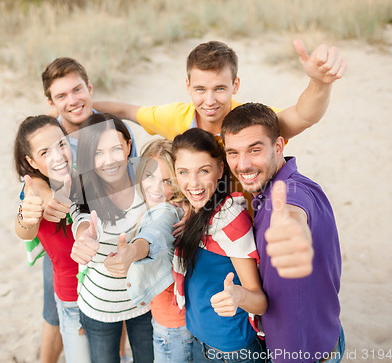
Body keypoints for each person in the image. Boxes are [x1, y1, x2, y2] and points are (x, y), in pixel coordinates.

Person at [220, 103, 343, 363]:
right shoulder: (264, 192)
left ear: (278, 147)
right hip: (315, 336)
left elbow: (293, 212)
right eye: (233, 152)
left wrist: (293, 229)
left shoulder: (292, 192)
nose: (242, 165)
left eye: (254, 150)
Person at [38, 57, 139, 361]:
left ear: (89, 87)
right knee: (56, 313)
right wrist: (43, 193)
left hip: (113, 237)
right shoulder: (50, 139)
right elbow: (31, 178)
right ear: (51, 102)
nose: (73, 100)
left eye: (77, 89)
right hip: (66, 239)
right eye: (61, 96)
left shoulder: (115, 129)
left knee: (115, 309)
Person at [93, 39, 346, 141]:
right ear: (188, 86)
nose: (210, 100)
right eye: (200, 89)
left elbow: (304, 116)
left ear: (235, 86)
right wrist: (75, 112)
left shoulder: (254, 121)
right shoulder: (175, 117)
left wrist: (320, 83)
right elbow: (124, 109)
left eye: (220, 88)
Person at [171, 128, 268, 362]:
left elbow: (260, 301)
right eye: (183, 172)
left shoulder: (230, 221)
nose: (193, 183)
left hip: (233, 349)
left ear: (220, 169)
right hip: (198, 337)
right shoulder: (197, 211)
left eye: (203, 171)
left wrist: (238, 296)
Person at [69, 113, 154, 363]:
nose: (109, 161)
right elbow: (83, 222)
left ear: (128, 146)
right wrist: (85, 239)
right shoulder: (80, 190)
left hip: (144, 300)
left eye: (116, 148)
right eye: (97, 153)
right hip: (100, 306)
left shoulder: (145, 179)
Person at [103, 139, 192, 363]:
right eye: (149, 176)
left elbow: (155, 234)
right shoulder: (183, 207)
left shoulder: (168, 212)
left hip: (173, 328)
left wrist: (133, 250)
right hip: (170, 322)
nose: (155, 188)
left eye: (167, 181)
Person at [13, 115, 92, 363]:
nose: (57, 155)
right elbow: (25, 228)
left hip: (106, 292)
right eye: (44, 152)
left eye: (61, 144)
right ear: (31, 161)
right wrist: (26, 218)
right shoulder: (34, 189)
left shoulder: (87, 175)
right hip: (71, 297)